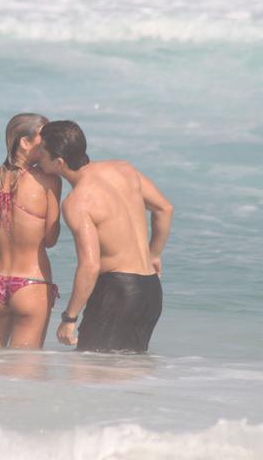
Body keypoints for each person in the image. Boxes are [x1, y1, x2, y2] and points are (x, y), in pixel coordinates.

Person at [38, 120, 173, 352]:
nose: (37, 157)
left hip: (118, 293)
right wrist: (154, 254)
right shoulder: (124, 168)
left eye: (41, 152)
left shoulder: (77, 202)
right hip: (150, 291)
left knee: (90, 375)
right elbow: (164, 209)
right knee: (125, 377)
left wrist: (69, 319)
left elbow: (90, 266)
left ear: (58, 162)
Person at [0, 113, 62, 348]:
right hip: (31, 283)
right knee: (25, 372)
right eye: (44, 138)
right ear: (24, 142)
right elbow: (50, 239)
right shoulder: (49, 181)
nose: (50, 145)